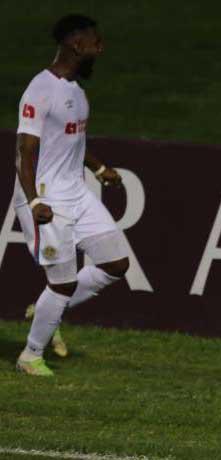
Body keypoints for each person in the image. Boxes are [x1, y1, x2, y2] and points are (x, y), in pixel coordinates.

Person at [14, 15, 129, 376]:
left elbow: (72, 141)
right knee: (61, 283)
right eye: (96, 42)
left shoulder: (77, 92)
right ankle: (31, 356)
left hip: (76, 193)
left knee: (115, 264)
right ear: (76, 45)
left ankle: (48, 310)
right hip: (47, 197)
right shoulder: (40, 90)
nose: (101, 48)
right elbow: (25, 152)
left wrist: (98, 168)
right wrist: (34, 202)